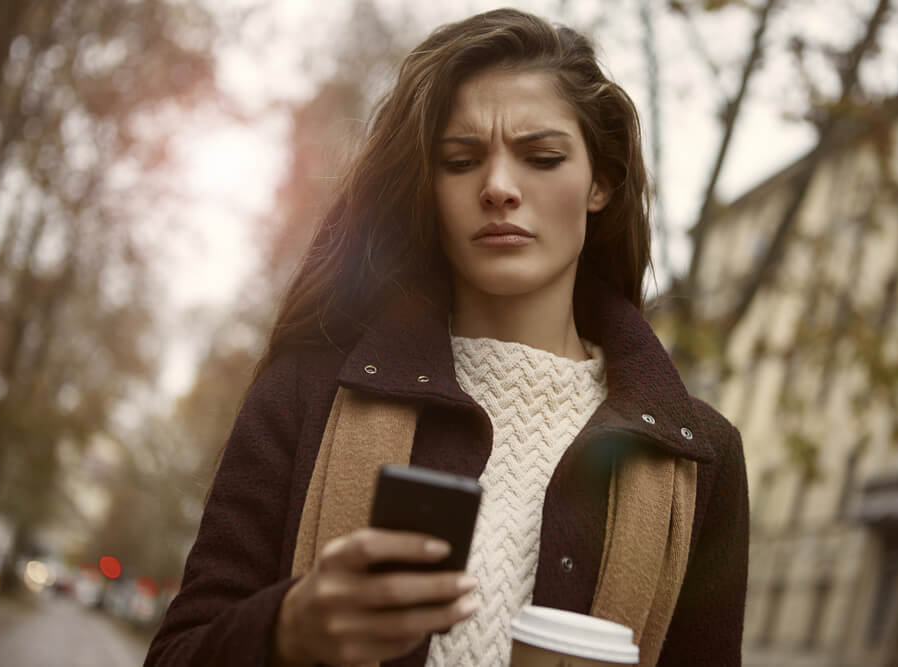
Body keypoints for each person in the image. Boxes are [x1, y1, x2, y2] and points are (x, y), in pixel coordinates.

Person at [145, 8, 748, 667]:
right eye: (460, 161)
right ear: (428, 189)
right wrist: (288, 626)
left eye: (542, 157)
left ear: (600, 181)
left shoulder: (702, 461)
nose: (497, 187)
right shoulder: (305, 394)